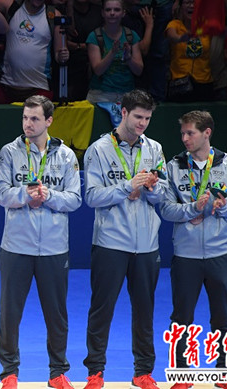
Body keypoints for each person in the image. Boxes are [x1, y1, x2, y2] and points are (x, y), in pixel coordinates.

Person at [82, 89, 168, 389]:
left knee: (145, 310)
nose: (142, 123)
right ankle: (95, 372)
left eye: (147, 118)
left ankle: (143, 371)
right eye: (138, 117)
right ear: (123, 113)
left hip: (147, 245)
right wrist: (126, 187)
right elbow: (92, 196)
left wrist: (151, 188)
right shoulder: (98, 150)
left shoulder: (155, 148)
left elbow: (163, 194)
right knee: (101, 309)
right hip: (110, 243)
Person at [0, 95, 81, 389]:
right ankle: (9, 372)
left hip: (54, 249)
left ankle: (57, 373)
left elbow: (75, 199)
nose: (28, 124)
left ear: (49, 121)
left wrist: (48, 196)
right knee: (10, 313)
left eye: (34, 118)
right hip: (16, 247)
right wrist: (25, 195)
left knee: (57, 315)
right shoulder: (8, 153)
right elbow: (1, 193)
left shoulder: (67, 156)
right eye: (25, 118)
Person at [159, 110, 227, 386]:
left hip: (221, 253)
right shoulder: (174, 166)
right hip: (186, 255)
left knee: (223, 316)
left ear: (207, 133)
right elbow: (166, 209)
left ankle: (224, 373)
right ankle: (182, 374)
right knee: (181, 317)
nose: (185, 138)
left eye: (190, 133)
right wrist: (191, 209)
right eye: (182, 133)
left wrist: (224, 206)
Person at [0, 0, 61, 103]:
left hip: (39, 87)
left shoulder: (54, 15)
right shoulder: (12, 7)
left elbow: (59, 55)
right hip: (7, 86)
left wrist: (63, 55)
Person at [84, 0, 144, 108]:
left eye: (117, 10)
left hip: (127, 95)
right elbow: (98, 70)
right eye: (108, 10)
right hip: (100, 95)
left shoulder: (131, 35)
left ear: (123, 13)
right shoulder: (94, 36)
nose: (112, 13)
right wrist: (112, 53)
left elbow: (139, 71)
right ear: (102, 13)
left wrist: (128, 58)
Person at [165, 0, 215, 102]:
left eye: (194, 3)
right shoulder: (175, 24)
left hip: (204, 82)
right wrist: (181, 38)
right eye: (187, 3)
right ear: (181, 7)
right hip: (179, 83)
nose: (191, 6)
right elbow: (172, 35)